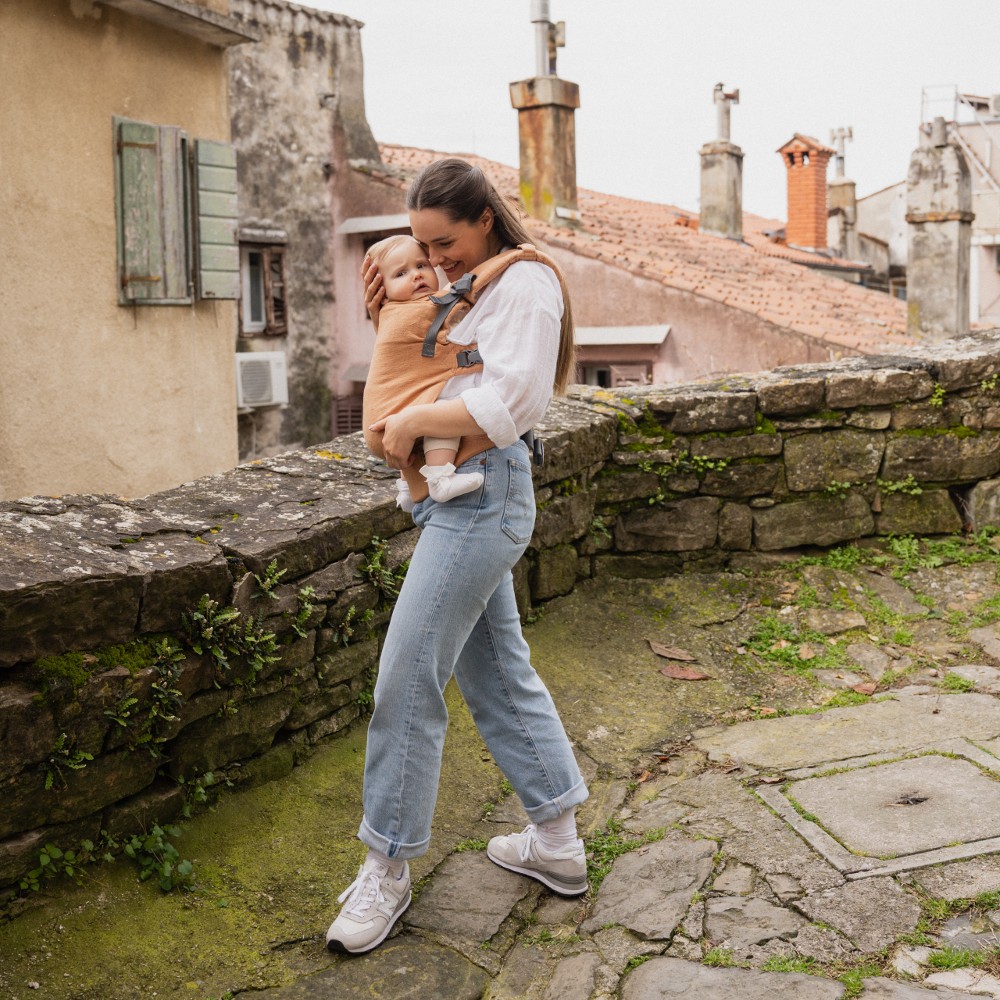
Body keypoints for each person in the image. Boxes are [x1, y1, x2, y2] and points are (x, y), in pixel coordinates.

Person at [326, 158, 589, 956]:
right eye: (424, 249)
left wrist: (408, 428)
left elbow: (515, 402)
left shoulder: (524, 284)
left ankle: (388, 867)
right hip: (463, 495)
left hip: (484, 494)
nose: (435, 261)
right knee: (494, 669)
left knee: (407, 675)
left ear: (482, 218)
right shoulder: (469, 285)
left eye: (444, 244)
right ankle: (556, 841)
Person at [362, 234, 485, 506]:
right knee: (447, 406)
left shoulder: (390, 314)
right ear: (382, 289)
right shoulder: (416, 309)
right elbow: (466, 294)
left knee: (432, 398)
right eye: (401, 273)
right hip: (390, 424)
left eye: (421, 266)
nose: (416, 276)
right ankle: (440, 478)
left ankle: (408, 488)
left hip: (387, 421)